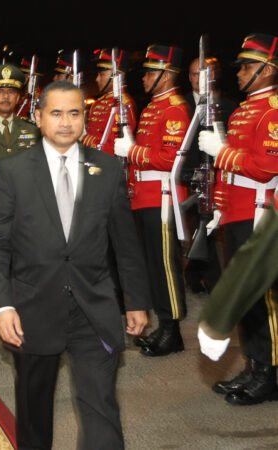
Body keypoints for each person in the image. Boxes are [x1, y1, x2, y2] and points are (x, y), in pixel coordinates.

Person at [0, 80, 150, 449]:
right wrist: (1, 305)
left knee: (101, 407)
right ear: (39, 117)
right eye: (56, 113)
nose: (65, 122)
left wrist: (136, 300)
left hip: (94, 309)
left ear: (84, 119)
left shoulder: (107, 169)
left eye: (74, 113)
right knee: (34, 412)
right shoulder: (13, 172)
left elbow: (126, 243)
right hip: (32, 311)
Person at [197, 33, 278, 405]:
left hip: (262, 215)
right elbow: (231, 176)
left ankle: (270, 371)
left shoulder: (274, 110)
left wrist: (223, 152)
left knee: (264, 298)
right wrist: (219, 207)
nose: (241, 72)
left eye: (248, 66)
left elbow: (267, 167)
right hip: (239, 212)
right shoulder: (247, 109)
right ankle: (255, 363)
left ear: (268, 69)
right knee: (247, 298)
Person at [114, 44, 191, 357]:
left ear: (166, 74)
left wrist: (131, 152)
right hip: (146, 197)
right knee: (153, 266)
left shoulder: (174, 108)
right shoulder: (153, 106)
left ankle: (172, 330)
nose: (143, 78)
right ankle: (164, 325)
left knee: (165, 267)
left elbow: (170, 159)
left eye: (149, 72)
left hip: (163, 199)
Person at [0, 63, 40, 329]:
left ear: (19, 97)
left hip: (25, 209)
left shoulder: (32, 130)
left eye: (11, 92)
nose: (5, 97)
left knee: (22, 261)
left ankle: (18, 306)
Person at [181, 57, 236, 294]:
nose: (197, 79)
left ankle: (212, 280)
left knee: (212, 230)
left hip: (217, 178)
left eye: (203, 74)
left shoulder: (230, 107)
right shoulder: (180, 106)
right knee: (187, 230)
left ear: (213, 77)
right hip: (186, 177)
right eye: (194, 74)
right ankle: (193, 275)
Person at [81, 48, 137, 155]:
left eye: (102, 74)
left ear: (116, 75)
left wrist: (83, 138)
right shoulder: (98, 103)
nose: (97, 79)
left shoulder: (123, 104)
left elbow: (112, 148)